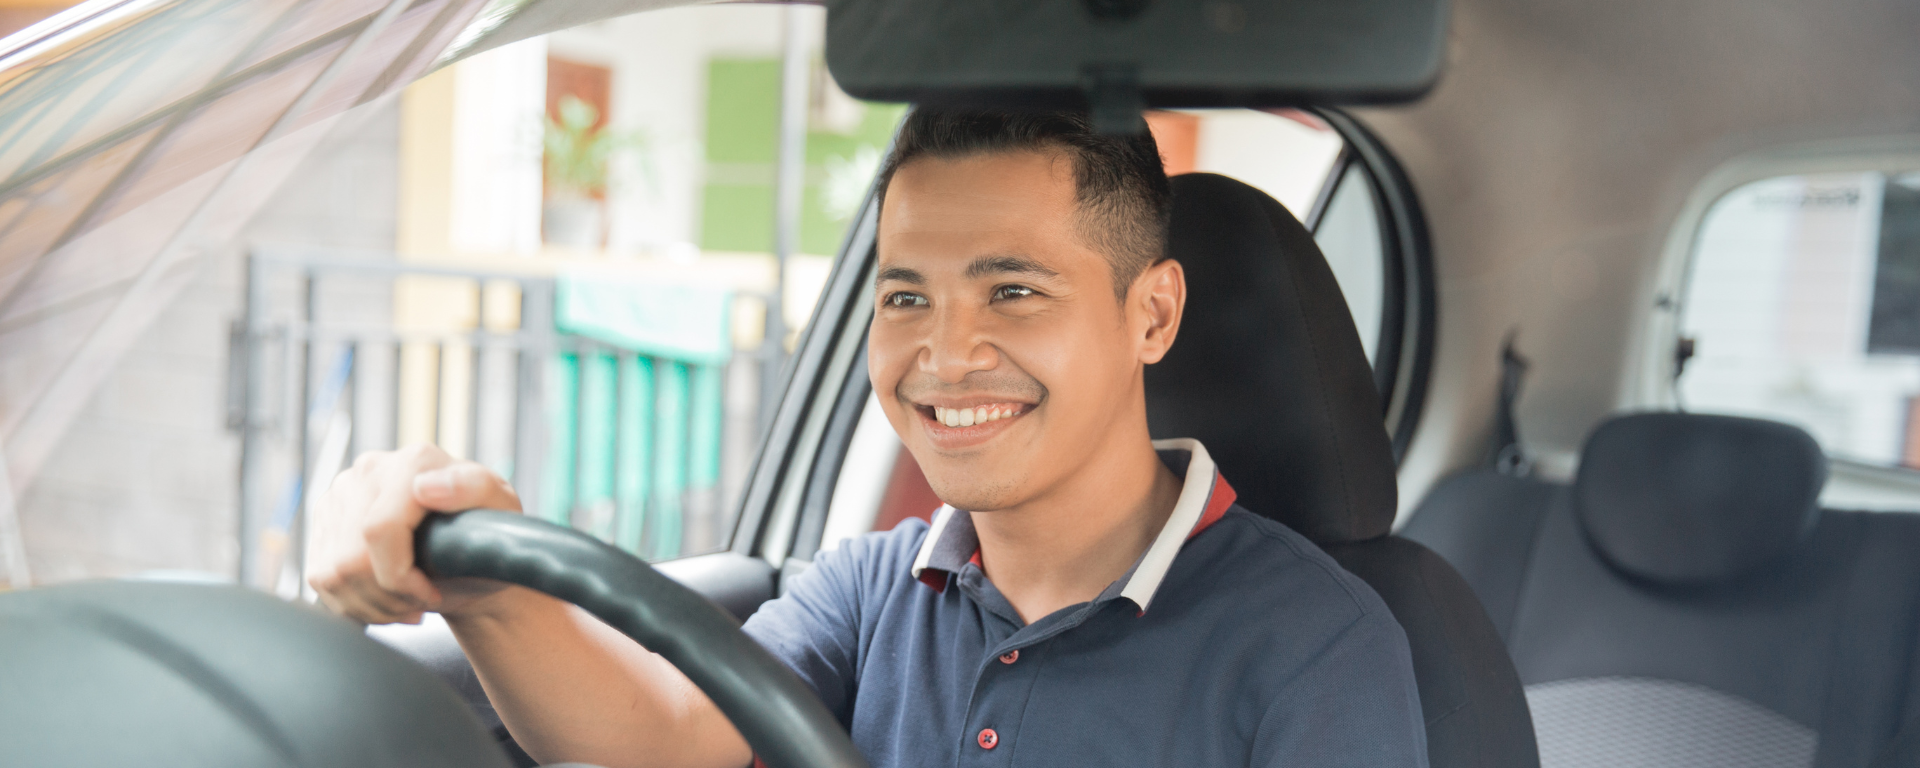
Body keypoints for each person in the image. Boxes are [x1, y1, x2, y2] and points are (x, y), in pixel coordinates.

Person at [307, 109, 1428, 768]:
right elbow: (671, 738)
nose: (943, 358)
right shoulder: (879, 588)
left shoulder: (1317, 648)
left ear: (1152, 314)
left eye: (1013, 294)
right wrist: (493, 589)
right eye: (905, 300)